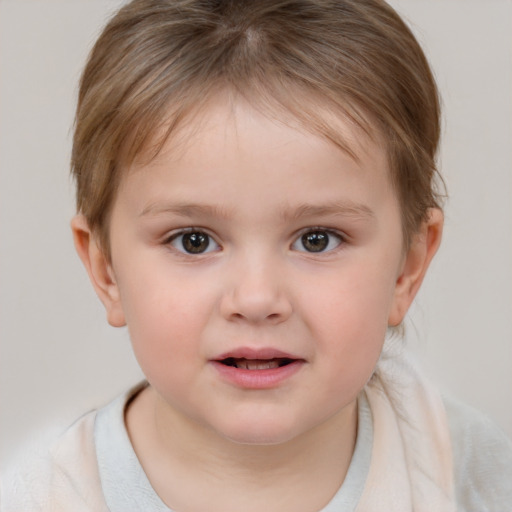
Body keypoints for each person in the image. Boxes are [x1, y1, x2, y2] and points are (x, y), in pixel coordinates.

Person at [3, 0, 511, 510]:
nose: (256, 298)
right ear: (106, 270)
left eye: (318, 239)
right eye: (193, 240)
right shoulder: (39, 497)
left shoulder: (472, 477)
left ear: (408, 267)